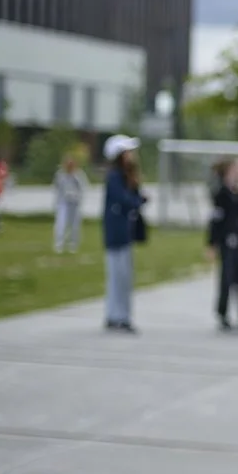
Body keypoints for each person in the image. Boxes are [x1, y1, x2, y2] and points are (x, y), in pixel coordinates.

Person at [102, 134, 146, 333]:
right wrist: (138, 202)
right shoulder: (114, 177)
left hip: (124, 234)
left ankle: (119, 314)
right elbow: (124, 199)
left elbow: (133, 195)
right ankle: (118, 316)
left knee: (124, 276)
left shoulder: (126, 176)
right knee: (118, 276)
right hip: (116, 234)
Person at [207, 157, 238, 331]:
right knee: (227, 278)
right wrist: (211, 243)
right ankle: (222, 313)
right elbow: (215, 220)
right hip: (227, 241)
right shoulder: (221, 193)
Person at [53, 154, 88, 253]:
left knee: (74, 224)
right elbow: (57, 188)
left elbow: (83, 187)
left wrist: (78, 198)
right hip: (63, 202)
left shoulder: (79, 175)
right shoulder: (60, 175)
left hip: (75, 203)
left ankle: (73, 244)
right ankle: (59, 244)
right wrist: (57, 202)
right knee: (61, 222)